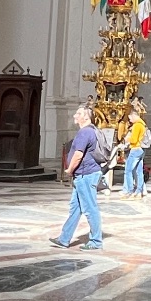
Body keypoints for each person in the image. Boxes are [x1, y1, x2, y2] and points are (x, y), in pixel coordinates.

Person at [52, 107, 107, 249]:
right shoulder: (92, 130)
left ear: (86, 117)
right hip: (84, 175)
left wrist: (70, 170)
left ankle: (96, 242)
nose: (75, 115)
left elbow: (78, 155)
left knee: (90, 209)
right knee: (75, 209)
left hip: (86, 175)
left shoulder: (85, 132)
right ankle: (64, 239)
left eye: (78, 113)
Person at [122, 108, 150, 199]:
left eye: (130, 118)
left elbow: (134, 140)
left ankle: (130, 192)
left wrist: (127, 139)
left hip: (135, 149)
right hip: (141, 149)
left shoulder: (137, 125)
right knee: (139, 171)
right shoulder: (143, 124)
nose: (129, 120)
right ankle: (138, 192)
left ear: (133, 116)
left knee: (128, 170)